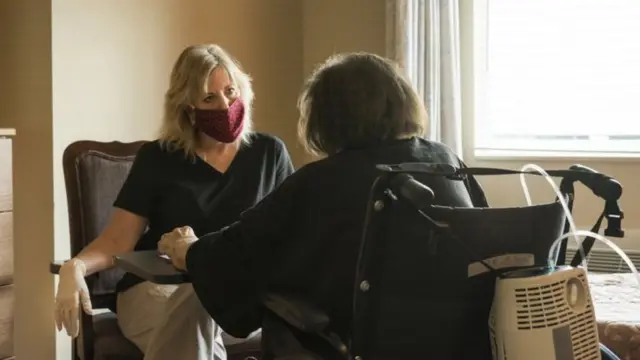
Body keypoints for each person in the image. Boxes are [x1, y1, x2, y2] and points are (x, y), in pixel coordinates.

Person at [158, 52, 486, 359]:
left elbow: (239, 249)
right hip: (452, 344)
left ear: (324, 118)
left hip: (350, 343)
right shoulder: (446, 161)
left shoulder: (320, 180)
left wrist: (189, 249)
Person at [54, 44, 295, 360]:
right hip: (154, 291)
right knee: (191, 314)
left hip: (237, 296)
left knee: (201, 312)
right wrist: (75, 266)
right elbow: (118, 240)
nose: (225, 104)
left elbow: (293, 234)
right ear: (188, 108)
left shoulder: (269, 153)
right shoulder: (158, 157)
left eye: (230, 92)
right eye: (209, 98)